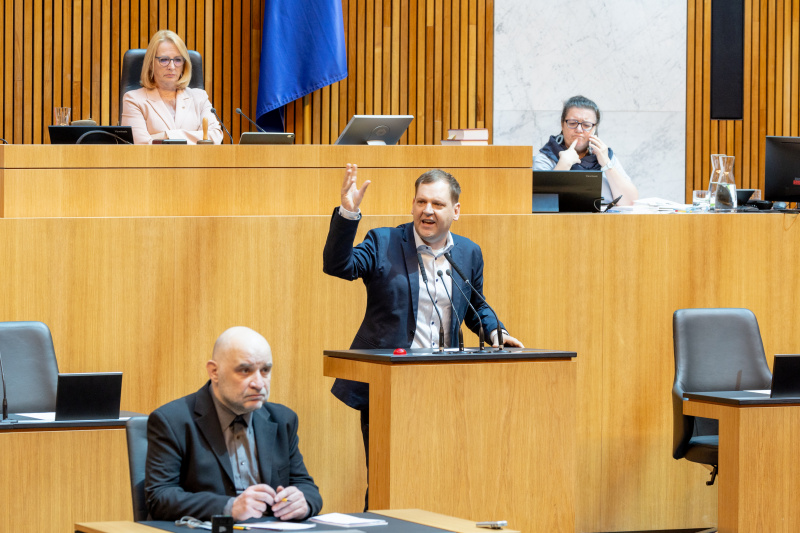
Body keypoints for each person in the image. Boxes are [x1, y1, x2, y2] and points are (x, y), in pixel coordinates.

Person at [322, 164, 524, 504]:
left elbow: (476, 304)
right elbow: (338, 266)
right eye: (420, 202)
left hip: (448, 384)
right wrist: (347, 214)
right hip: (390, 384)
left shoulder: (468, 253)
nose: (427, 211)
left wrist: (494, 331)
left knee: (444, 475)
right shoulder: (383, 241)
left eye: (437, 204)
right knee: (390, 479)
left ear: (456, 211)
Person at [145, 326, 322, 521]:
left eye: (265, 370)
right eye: (245, 371)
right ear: (214, 372)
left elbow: (305, 486)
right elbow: (159, 497)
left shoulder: (283, 419)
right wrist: (228, 507)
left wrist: (303, 503)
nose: (259, 383)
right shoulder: (173, 421)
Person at [533, 95, 638, 205]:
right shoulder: (547, 156)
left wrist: (606, 163)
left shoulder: (604, 155)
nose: (579, 130)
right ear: (562, 124)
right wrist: (563, 165)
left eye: (586, 125)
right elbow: (540, 202)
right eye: (572, 123)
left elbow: (630, 201)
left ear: (594, 129)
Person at [121, 30, 222, 144]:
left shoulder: (200, 97)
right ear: (150, 63)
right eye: (164, 60)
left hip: (195, 161)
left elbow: (215, 137)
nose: (172, 66)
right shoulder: (133, 99)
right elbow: (141, 146)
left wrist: (167, 135)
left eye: (178, 60)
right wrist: (195, 138)